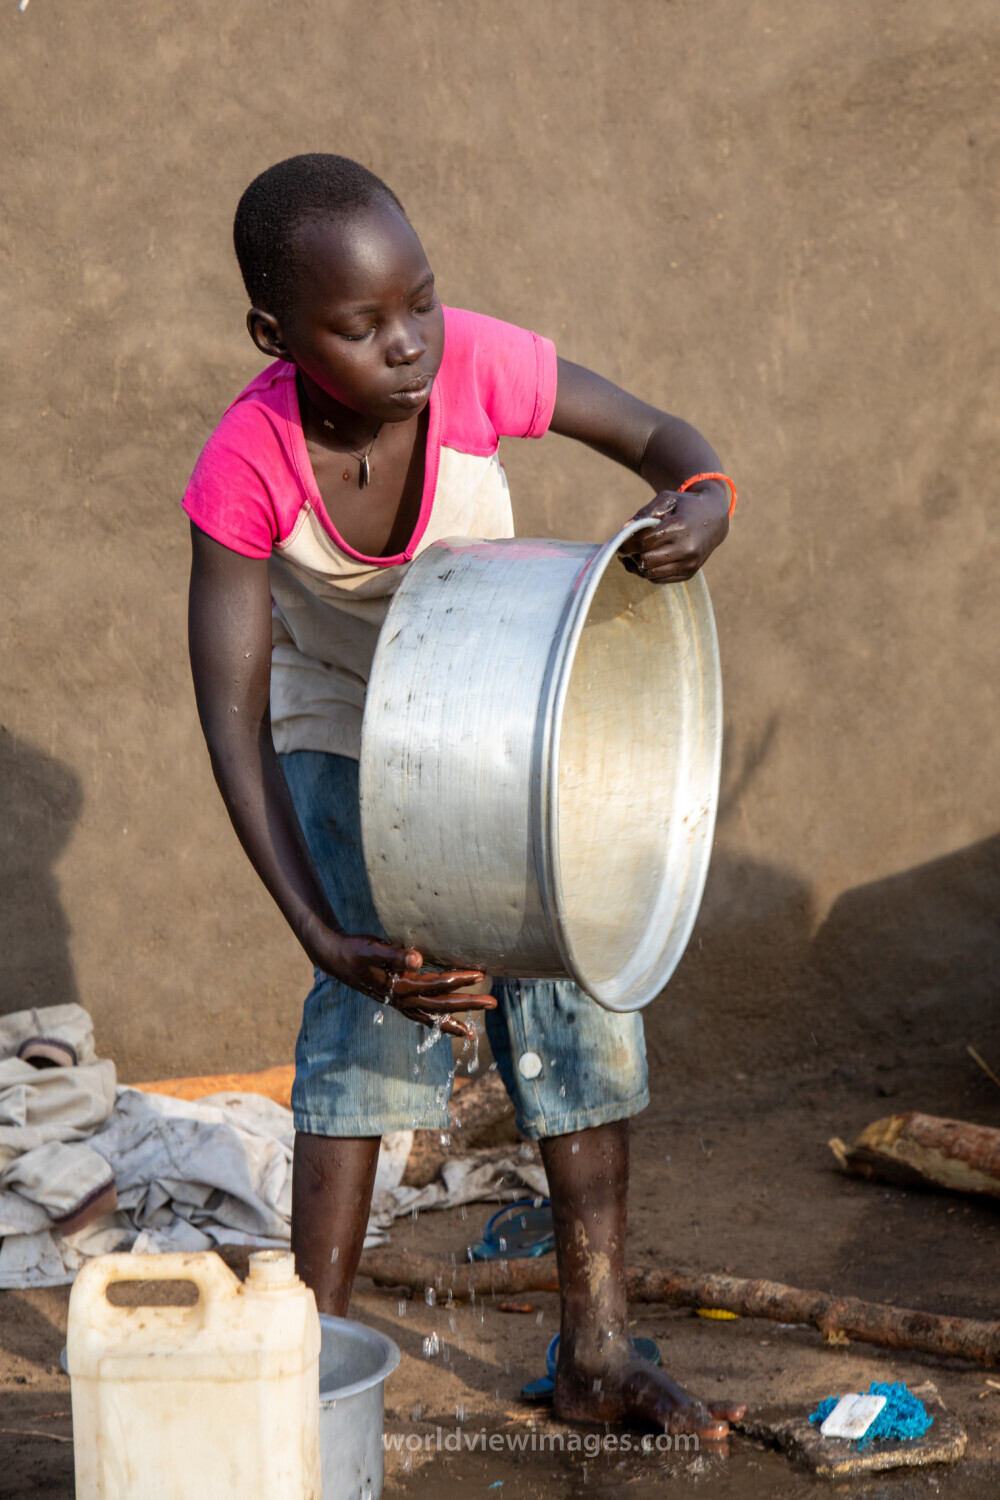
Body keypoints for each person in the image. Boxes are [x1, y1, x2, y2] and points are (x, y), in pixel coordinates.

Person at [184, 153, 742, 1439]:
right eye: (360, 325)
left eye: (420, 303)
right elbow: (231, 720)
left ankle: (597, 1355)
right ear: (277, 335)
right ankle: (304, 1377)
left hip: (499, 707)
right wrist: (325, 932)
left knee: (571, 993)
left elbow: (669, 443)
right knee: (368, 1007)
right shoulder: (246, 458)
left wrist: (704, 501)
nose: (408, 344)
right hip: (342, 724)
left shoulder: (478, 366)